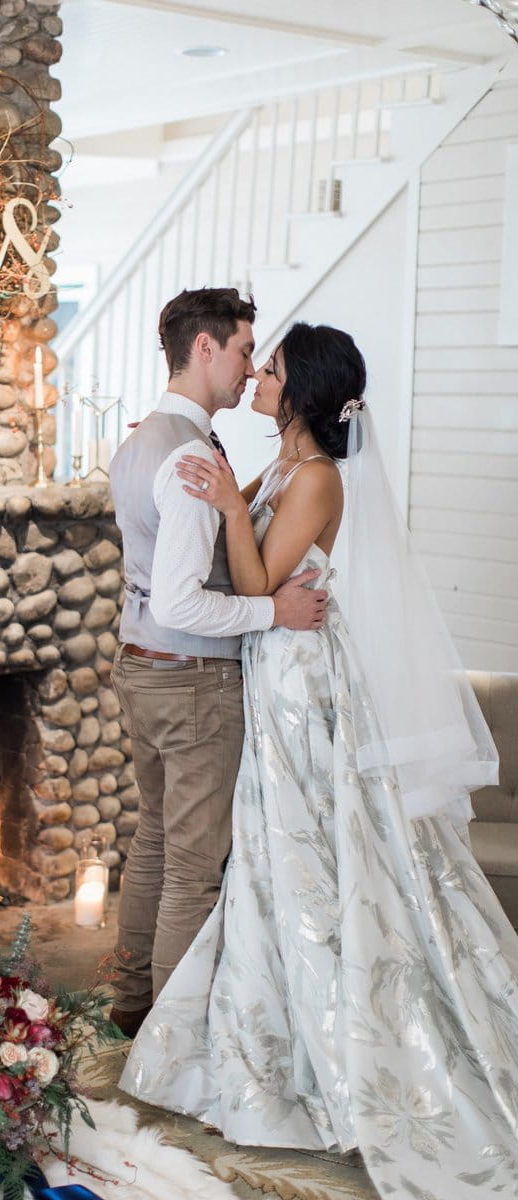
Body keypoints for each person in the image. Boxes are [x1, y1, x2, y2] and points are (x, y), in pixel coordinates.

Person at [120, 322, 518, 1197]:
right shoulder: (286, 469)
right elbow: (246, 556)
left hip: (301, 689)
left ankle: (348, 1049)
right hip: (270, 672)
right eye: (257, 362)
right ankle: (271, 1034)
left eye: (273, 368)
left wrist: (227, 507)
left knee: (304, 857)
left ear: (302, 392)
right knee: (267, 859)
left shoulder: (322, 478)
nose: (259, 375)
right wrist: (226, 495)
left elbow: (258, 580)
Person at [107, 290, 328, 1038]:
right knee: (192, 870)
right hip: (192, 679)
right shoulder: (190, 455)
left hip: (141, 669)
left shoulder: (139, 441)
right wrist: (275, 611)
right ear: (205, 349)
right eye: (242, 351)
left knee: (155, 842)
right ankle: (172, 1043)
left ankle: (132, 1002)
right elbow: (182, 603)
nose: (249, 369)